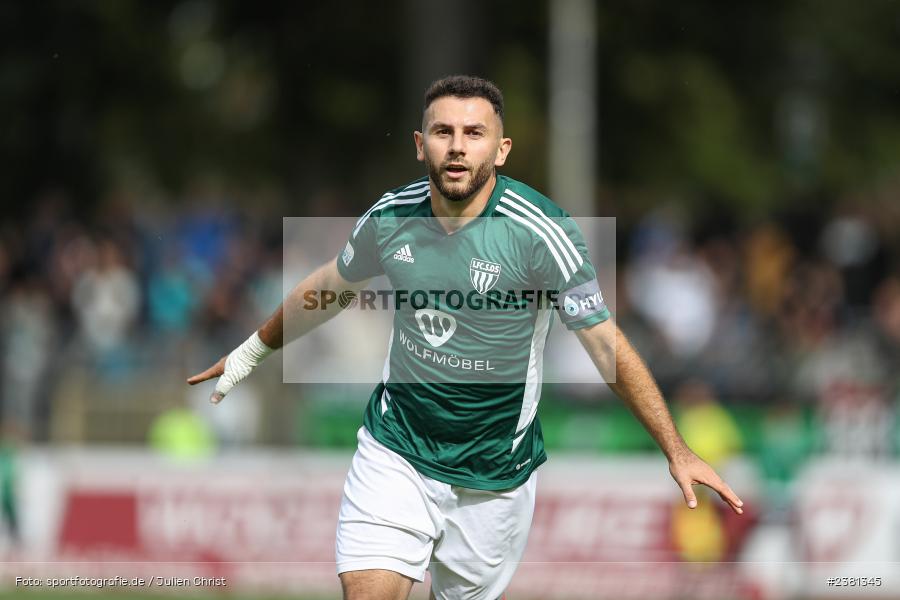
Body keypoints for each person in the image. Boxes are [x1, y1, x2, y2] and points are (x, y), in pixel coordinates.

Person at [187, 75, 743, 600]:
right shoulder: (390, 218)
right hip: (397, 450)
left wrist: (676, 449)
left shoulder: (542, 233)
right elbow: (330, 287)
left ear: (500, 150)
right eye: (443, 131)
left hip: (494, 475)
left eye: (474, 133)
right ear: (419, 144)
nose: (457, 147)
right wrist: (252, 350)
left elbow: (603, 343)